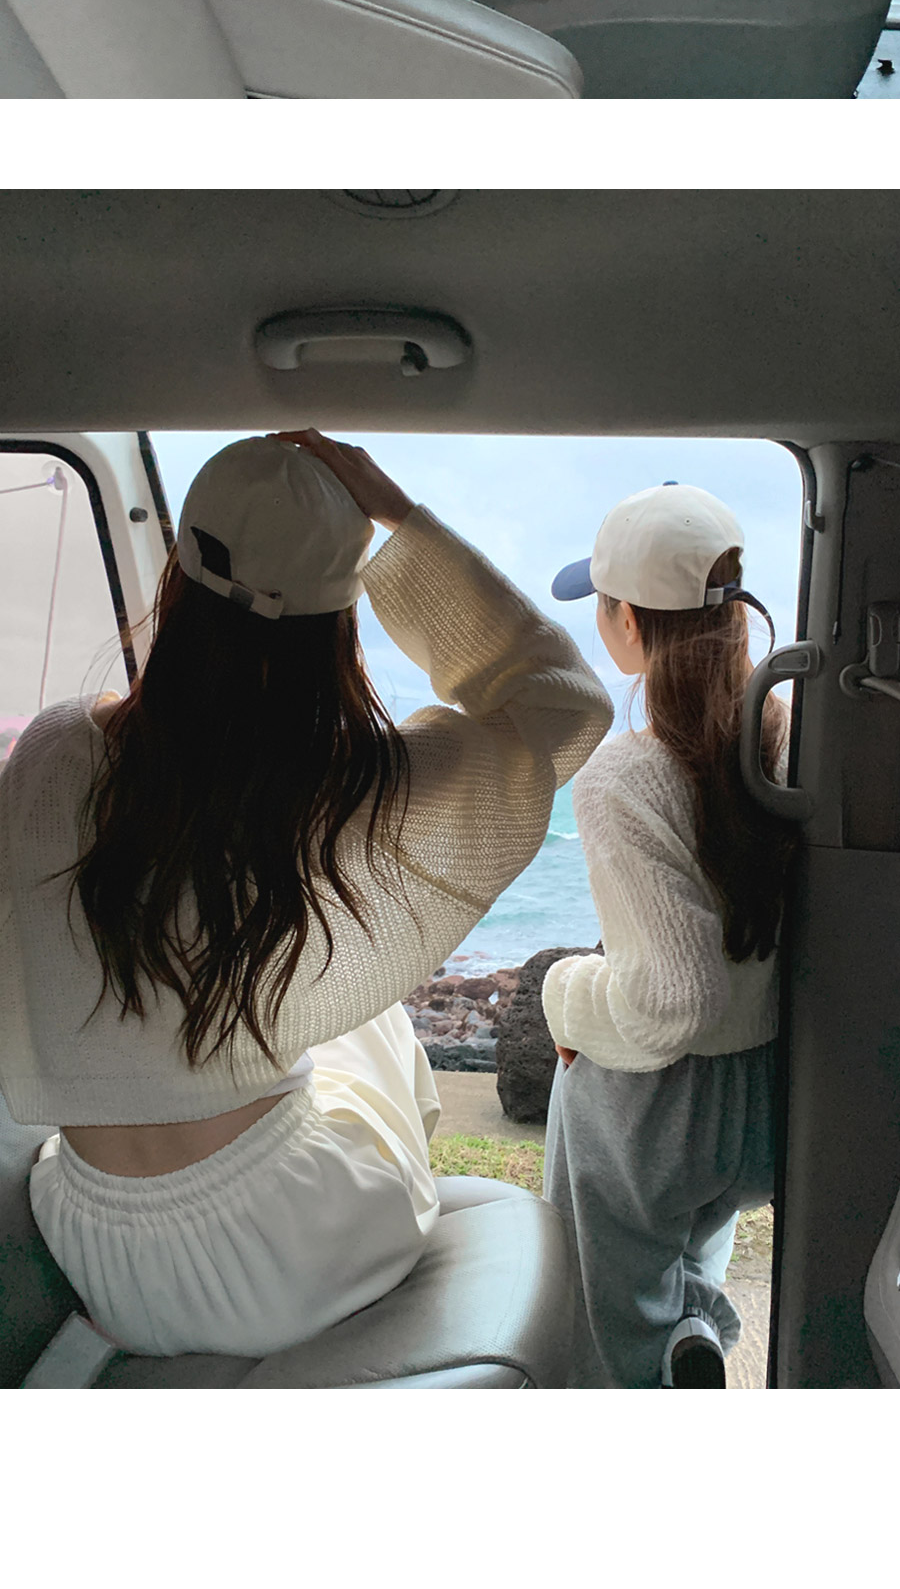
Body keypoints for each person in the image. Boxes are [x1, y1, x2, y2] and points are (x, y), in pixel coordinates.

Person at [0, 430, 610, 1364]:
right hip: (291, 1252)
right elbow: (565, 706)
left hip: (99, 1242)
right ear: (338, 621)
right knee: (372, 1022)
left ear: (176, 578)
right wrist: (402, 520)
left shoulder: (53, 749)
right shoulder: (342, 787)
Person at [541, 483, 793, 1388]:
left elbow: (672, 1001)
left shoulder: (622, 777)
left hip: (651, 1114)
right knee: (696, 1243)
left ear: (627, 622)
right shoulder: (784, 736)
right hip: (763, 1097)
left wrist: (563, 994)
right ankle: (695, 1335)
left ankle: (649, 1374)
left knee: (605, 1319)